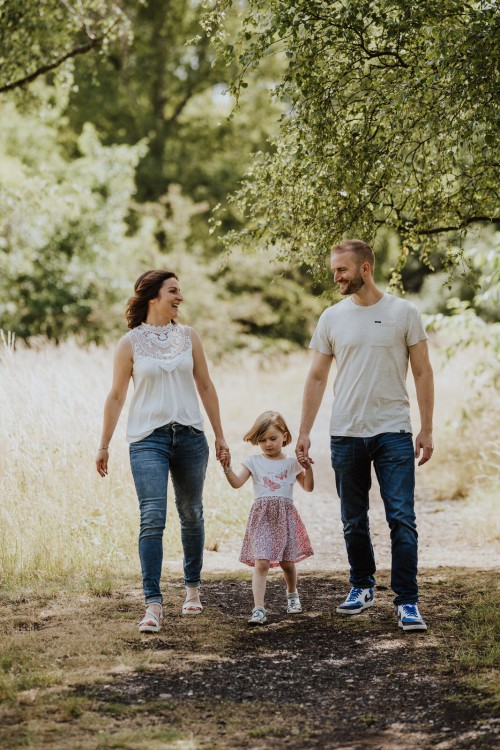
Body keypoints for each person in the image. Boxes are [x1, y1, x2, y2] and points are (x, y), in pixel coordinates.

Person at [296, 239, 434, 632]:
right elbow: (317, 376)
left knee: (401, 518)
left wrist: (427, 427)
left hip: (393, 430)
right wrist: (304, 431)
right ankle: (362, 586)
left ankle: (407, 601)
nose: (335, 277)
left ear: (365, 269)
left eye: (341, 270)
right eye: (334, 271)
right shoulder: (332, 317)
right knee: (353, 519)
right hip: (346, 433)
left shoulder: (403, 312)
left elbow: (423, 371)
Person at [96, 270, 230, 633]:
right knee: (153, 516)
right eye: (173, 291)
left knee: (191, 512)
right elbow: (117, 396)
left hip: (190, 436)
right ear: (153, 296)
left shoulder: (189, 337)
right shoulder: (130, 343)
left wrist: (219, 435)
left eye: (180, 291)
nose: (179, 297)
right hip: (147, 440)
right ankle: (153, 604)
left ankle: (192, 590)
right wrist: (104, 444)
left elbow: (205, 384)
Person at [220, 411, 314, 625]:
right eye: (262, 440)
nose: (268, 444)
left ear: (284, 435)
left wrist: (308, 469)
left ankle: (292, 595)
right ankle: (259, 608)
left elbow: (308, 487)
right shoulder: (253, 461)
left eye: (272, 438)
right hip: (262, 517)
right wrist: (227, 468)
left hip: (285, 517)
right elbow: (236, 483)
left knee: (287, 563)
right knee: (261, 562)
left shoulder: (292, 463)